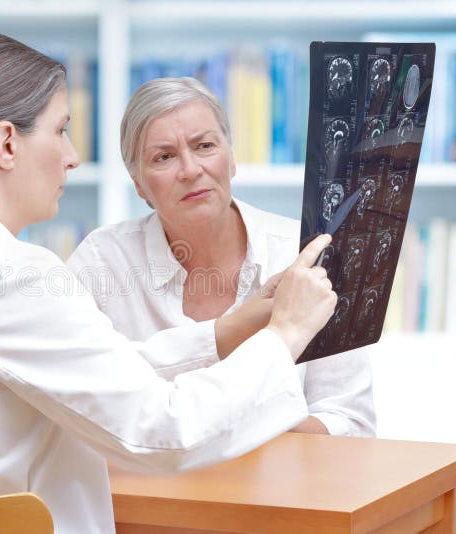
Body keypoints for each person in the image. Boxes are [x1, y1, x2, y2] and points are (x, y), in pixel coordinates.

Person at [0, 32, 337, 534]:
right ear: (6, 143)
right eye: (60, 130)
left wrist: (225, 332)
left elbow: (94, 374)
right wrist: (286, 334)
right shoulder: (8, 277)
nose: (73, 155)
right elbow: (166, 431)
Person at [67, 77, 375, 437]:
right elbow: (81, 397)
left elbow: (350, 423)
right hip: (147, 490)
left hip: (283, 488)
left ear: (231, 159)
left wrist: (233, 434)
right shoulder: (102, 261)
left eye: (205, 146)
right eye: (163, 157)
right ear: (138, 184)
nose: (191, 170)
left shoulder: (310, 254)